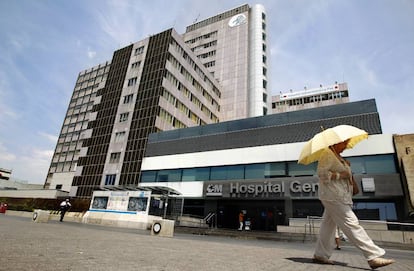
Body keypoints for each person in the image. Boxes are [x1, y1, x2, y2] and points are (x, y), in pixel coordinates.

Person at [312, 140, 395, 269]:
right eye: (344, 143)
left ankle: (320, 254)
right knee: (351, 221)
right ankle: (373, 255)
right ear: (336, 142)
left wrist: (346, 167)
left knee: (328, 226)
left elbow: (346, 176)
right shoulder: (327, 154)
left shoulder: (338, 156)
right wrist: (341, 174)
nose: (345, 146)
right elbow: (322, 175)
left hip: (340, 195)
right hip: (333, 195)